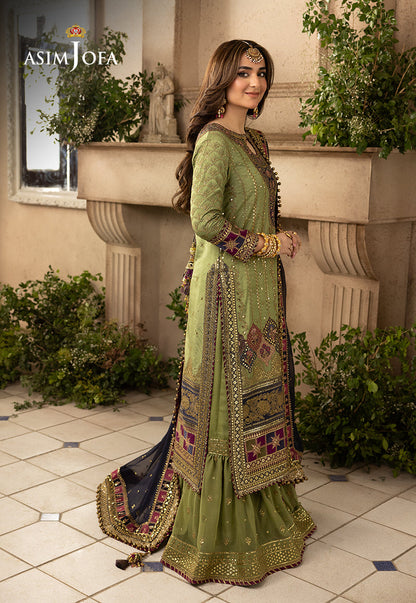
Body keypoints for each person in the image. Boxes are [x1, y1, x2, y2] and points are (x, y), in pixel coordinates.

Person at [97, 39, 315, 586]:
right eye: (243, 72)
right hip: (225, 290)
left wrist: (271, 246)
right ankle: (215, 524)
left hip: (258, 288)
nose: (255, 82)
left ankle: (263, 506)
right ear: (223, 78)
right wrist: (272, 244)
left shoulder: (255, 140)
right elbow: (207, 222)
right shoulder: (215, 140)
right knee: (225, 401)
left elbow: (251, 212)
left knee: (257, 392)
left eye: (261, 72)